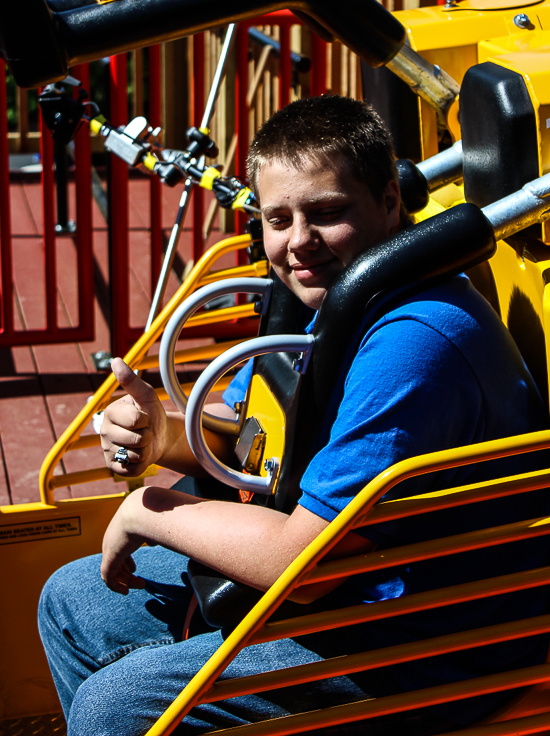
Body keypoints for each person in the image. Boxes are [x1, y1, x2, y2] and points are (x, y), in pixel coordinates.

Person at [38, 95, 550, 736]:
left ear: (391, 202)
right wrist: (165, 437)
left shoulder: (414, 340)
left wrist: (151, 509)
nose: (298, 242)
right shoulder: (334, 299)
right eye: (277, 218)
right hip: (350, 590)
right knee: (71, 601)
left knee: (121, 705)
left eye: (327, 213)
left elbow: (302, 568)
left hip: (430, 644)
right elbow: (264, 445)